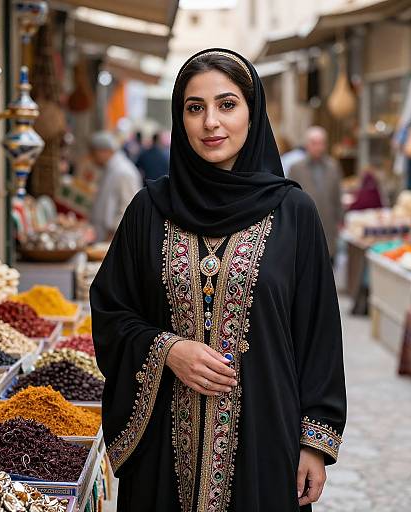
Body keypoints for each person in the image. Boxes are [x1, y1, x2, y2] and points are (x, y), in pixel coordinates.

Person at [90, 49, 346, 512]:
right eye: (195, 107)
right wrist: (168, 351)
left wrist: (314, 442)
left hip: (266, 443)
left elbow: (319, 334)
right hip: (164, 450)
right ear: (179, 118)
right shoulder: (148, 210)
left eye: (227, 105)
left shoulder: (294, 213)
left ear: (253, 111)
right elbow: (111, 312)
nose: (211, 122)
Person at [290, 126, 343, 262]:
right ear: (307, 144)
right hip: (304, 229)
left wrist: (341, 219)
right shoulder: (296, 169)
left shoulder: (333, 167)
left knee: (329, 266)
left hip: (328, 227)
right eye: (314, 143)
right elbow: (290, 200)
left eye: (321, 143)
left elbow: (337, 196)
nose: (318, 147)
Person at [89, 131, 142, 242]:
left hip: (113, 238)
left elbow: (128, 208)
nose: (92, 158)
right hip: (103, 235)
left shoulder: (123, 171)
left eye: (94, 153)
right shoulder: (111, 169)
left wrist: (113, 234)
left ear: (105, 151)